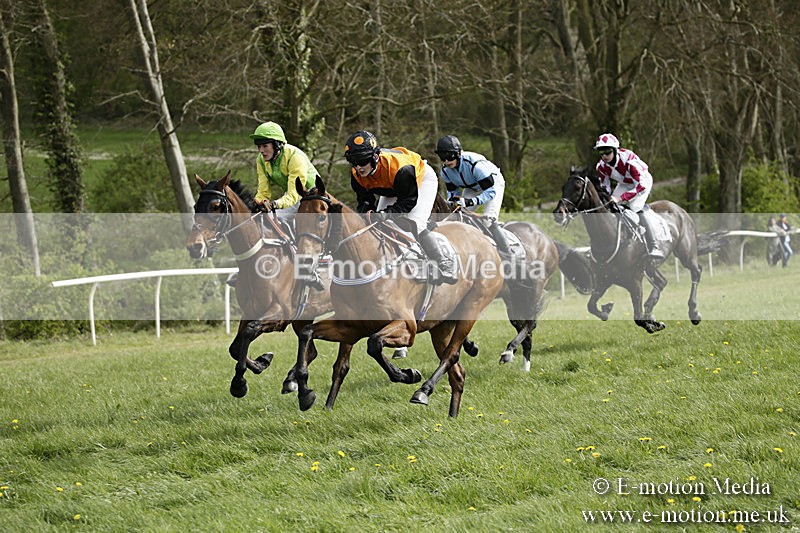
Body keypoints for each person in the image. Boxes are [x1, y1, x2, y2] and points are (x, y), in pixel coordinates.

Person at [344, 130, 456, 285]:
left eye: (362, 161)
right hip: (392, 186)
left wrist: (386, 213)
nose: (358, 167)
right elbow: (364, 201)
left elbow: (407, 202)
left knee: (415, 223)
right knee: (378, 223)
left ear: (375, 157)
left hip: (420, 180)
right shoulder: (356, 174)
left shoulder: (399, 168)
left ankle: (443, 263)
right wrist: (368, 213)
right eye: (354, 162)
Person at [434, 135, 511, 256]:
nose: (446, 161)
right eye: (442, 157)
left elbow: (490, 192)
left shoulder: (475, 165)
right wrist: (452, 203)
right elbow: (453, 192)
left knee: (488, 221)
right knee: (459, 217)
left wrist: (470, 202)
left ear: (458, 153)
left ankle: (509, 254)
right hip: (472, 187)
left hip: (492, 185)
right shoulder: (445, 171)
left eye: (449, 156)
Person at [593, 133, 662, 260]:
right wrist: (607, 198)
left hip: (642, 182)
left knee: (635, 207)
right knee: (610, 206)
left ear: (615, 150)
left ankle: (654, 245)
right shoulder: (601, 167)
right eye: (601, 153)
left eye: (607, 152)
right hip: (625, 184)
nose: (604, 156)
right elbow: (605, 187)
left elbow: (640, 185)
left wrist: (620, 198)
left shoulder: (630, 161)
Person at [249, 121, 319, 225]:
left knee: (274, 217)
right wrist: (255, 203)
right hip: (292, 196)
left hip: (311, 196)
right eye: (259, 146)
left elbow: (294, 194)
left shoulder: (295, 157)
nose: (261, 151)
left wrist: (275, 204)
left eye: (265, 146)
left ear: (277, 144)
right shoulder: (261, 160)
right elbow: (264, 192)